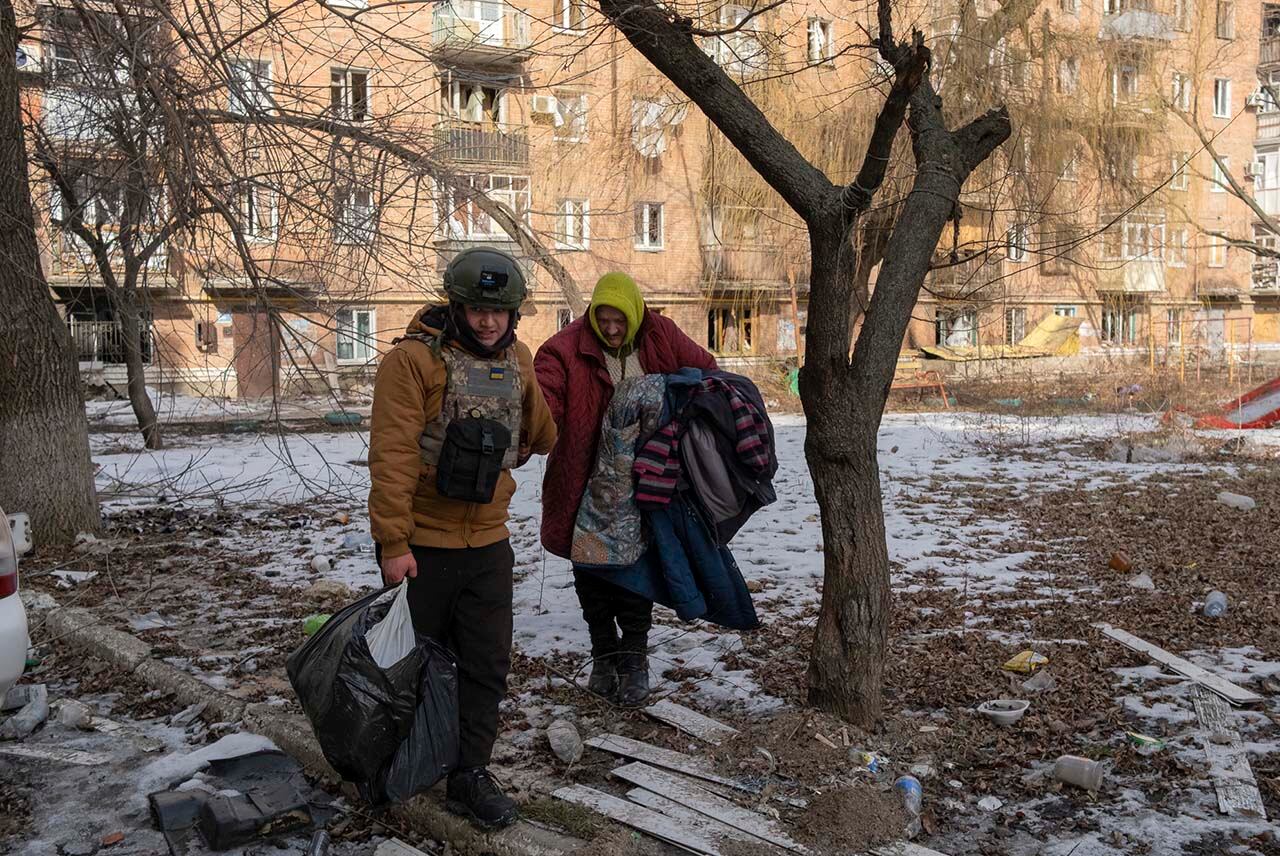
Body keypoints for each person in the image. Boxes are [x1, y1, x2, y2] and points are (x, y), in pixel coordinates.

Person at [368, 247, 556, 829]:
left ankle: (469, 775)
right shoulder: (411, 364)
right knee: (409, 666)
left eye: (499, 312)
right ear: (457, 305)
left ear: (514, 315)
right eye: (477, 309)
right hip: (422, 547)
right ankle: (394, 762)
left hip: (488, 547)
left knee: (484, 666)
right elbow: (393, 456)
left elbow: (543, 435)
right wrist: (394, 544)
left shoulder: (519, 359)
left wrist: (516, 428)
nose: (488, 322)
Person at [534, 273, 716, 706]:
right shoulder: (565, 348)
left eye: (620, 320)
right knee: (591, 565)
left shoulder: (660, 334)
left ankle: (634, 658)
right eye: (604, 320)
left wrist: (681, 410)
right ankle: (603, 653)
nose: (612, 329)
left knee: (638, 569)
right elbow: (542, 401)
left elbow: (707, 373)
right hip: (583, 478)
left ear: (635, 314)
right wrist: (527, 427)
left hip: (647, 479)